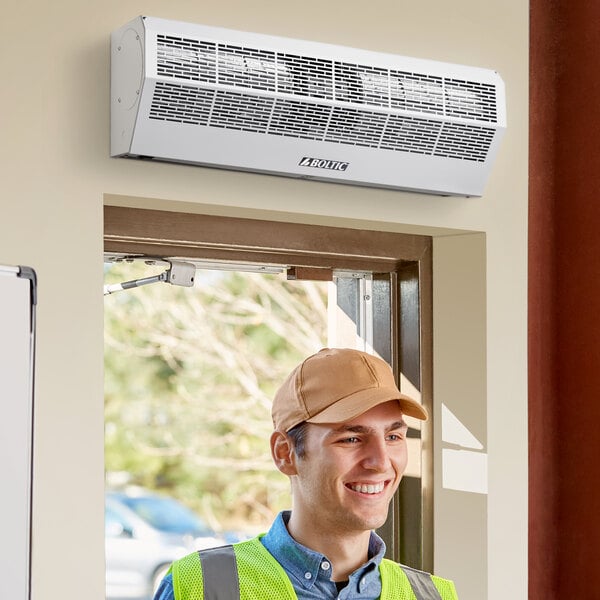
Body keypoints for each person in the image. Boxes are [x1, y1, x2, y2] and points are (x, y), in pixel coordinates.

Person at [154, 347, 459, 600]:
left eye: (393, 437)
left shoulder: (434, 596)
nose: (381, 462)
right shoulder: (200, 587)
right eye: (351, 438)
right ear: (285, 453)